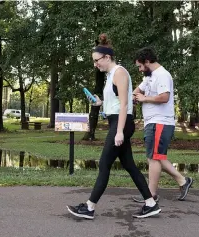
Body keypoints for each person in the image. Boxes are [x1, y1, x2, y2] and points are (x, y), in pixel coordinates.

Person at [66, 34, 161, 219]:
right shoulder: (111, 76)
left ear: (107, 57)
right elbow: (116, 103)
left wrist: (119, 132)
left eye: (96, 61)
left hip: (122, 124)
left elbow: (125, 105)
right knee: (129, 165)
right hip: (117, 121)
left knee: (104, 164)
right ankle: (150, 204)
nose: (95, 64)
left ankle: (90, 207)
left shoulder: (119, 72)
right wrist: (100, 103)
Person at [132, 47, 193, 203]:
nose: (139, 70)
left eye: (140, 66)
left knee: (154, 158)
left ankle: (151, 195)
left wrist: (144, 98)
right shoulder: (149, 76)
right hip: (152, 121)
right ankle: (183, 181)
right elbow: (137, 91)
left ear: (147, 61)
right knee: (156, 157)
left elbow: (164, 97)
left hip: (160, 121)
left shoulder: (163, 75)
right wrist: (134, 96)